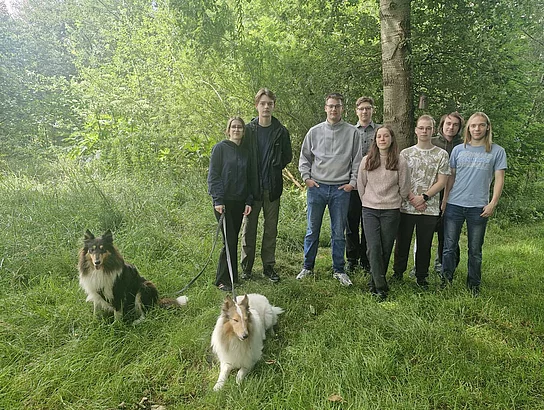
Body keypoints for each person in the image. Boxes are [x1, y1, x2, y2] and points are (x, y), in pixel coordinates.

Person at [297, 93, 361, 286]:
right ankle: (307, 267)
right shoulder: (314, 131)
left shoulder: (352, 133)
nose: (334, 109)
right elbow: (304, 158)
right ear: (325, 108)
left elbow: (357, 161)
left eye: (337, 106)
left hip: (341, 189)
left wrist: (352, 183)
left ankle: (339, 270)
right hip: (317, 187)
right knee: (312, 230)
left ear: (342, 108)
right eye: (331, 106)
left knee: (338, 232)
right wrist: (307, 178)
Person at [441, 112, 507, 295]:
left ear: (487, 127)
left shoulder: (497, 151)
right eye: (473, 125)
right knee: (449, 247)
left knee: (475, 250)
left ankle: (473, 285)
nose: (477, 129)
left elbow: (499, 179)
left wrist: (493, 203)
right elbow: (450, 177)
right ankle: (446, 281)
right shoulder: (458, 150)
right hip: (455, 204)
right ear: (468, 128)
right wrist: (445, 199)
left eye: (481, 125)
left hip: (478, 207)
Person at [240, 88, 292, 283]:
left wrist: (274, 167)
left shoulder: (281, 131)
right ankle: (246, 267)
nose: (266, 107)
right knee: (249, 229)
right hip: (252, 189)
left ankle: (268, 267)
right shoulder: (248, 131)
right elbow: (241, 157)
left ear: (274, 106)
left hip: (272, 188)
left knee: (271, 230)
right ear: (256, 106)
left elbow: (287, 156)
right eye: (262, 103)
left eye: (269, 103)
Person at [392, 115, 450, 289]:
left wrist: (423, 197)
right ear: (416, 130)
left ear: (433, 131)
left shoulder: (441, 155)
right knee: (402, 242)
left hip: (429, 207)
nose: (424, 131)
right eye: (421, 128)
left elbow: (442, 181)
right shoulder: (405, 154)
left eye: (428, 128)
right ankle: (398, 273)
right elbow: (401, 179)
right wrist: (412, 198)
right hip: (406, 206)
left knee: (425, 244)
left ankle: (421, 277)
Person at [357, 125, 410, 300]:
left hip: (391, 210)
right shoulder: (367, 160)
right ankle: (380, 286)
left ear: (391, 139)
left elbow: (404, 187)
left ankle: (374, 282)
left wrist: (395, 200)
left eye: (386, 136)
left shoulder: (400, 161)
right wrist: (368, 200)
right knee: (373, 247)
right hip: (370, 209)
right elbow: (361, 185)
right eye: (379, 136)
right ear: (375, 140)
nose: (382, 139)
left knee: (386, 248)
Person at [208, 117, 254, 291]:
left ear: (243, 131)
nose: (236, 129)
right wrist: (218, 200)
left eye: (239, 127)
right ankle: (222, 280)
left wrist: (248, 200)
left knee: (233, 240)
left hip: (239, 202)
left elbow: (250, 179)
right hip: (223, 203)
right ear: (228, 131)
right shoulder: (220, 148)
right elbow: (214, 176)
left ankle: (233, 277)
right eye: (233, 127)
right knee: (229, 240)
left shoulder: (246, 152)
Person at [345, 96, 381, 273]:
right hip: (353, 183)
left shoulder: (380, 131)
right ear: (356, 111)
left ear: (373, 110)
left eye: (368, 108)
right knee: (351, 222)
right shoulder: (349, 131)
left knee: (369, 224)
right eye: (361, 109)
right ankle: (352, 259)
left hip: (374, 185)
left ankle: (366, 260)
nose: (364, 111)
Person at [431, 112, 464, 273]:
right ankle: (419, 266)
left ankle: (446, 266)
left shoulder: (464, 145)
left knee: (449, 234)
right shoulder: (432, 143)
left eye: (455, 125)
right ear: (442, 125)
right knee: (426, 232)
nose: (451, 127)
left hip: (455, 196)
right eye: (448, 124)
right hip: (432, 194)